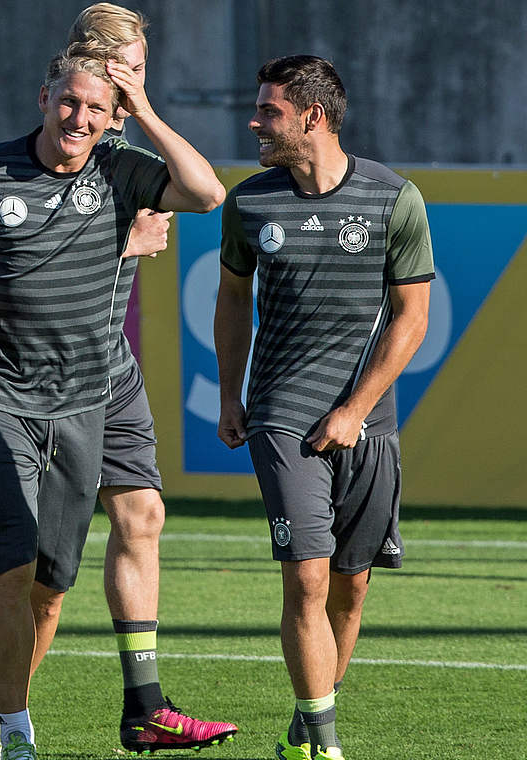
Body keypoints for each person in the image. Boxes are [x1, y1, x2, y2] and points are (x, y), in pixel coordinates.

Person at [0, 7, 237, 759]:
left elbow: (206, 194)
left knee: (54, 578)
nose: (81, 114)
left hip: (90, 394)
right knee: (9, 555)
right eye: (72, 99)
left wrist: (142, 115)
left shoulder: (124, 164)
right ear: (45, 94)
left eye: (102, 102)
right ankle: (21, 732)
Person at [215, 55, 433, 760]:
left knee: (350, 589)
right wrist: (229, 392)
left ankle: (302, 731)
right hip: (282, 415)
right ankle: (327, 746)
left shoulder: (394, 198)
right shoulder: (249, 202)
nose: (254, 121)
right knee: (307, 576)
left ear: (312, 116)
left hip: (369, 425)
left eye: (268, 110)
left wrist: (356, 410)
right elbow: (229, 299)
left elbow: (411, 317)